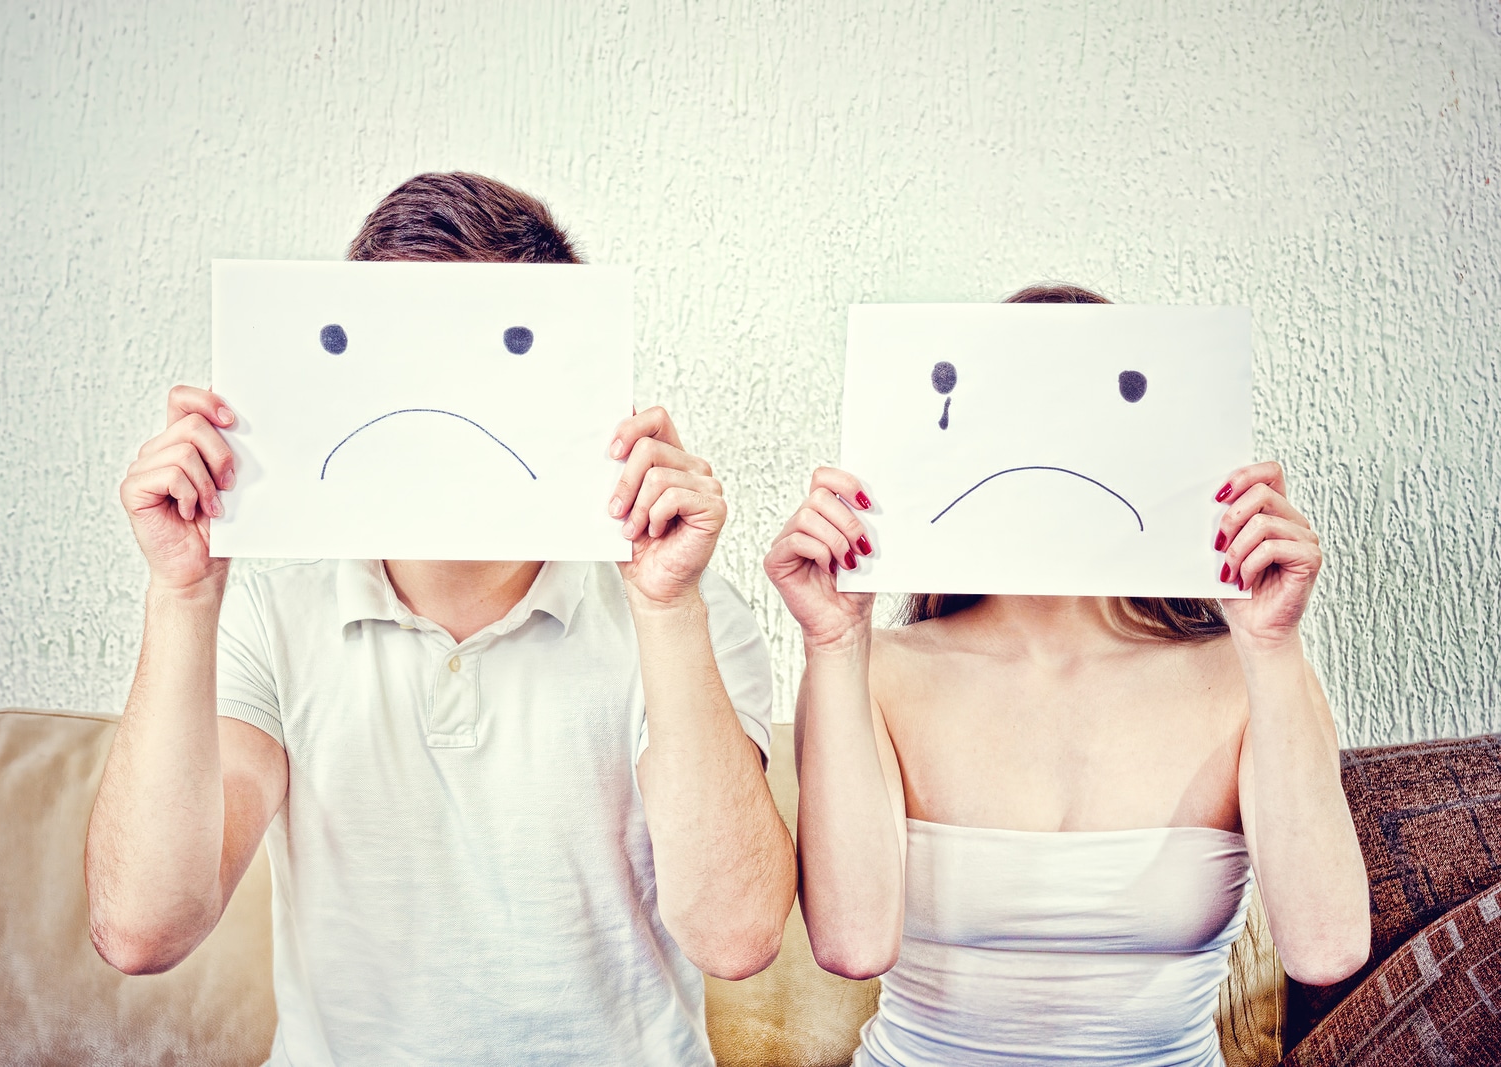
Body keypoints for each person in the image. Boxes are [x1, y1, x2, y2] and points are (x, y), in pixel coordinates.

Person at [85, 172, 796, 1067]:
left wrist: (666, 608)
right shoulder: (267, 612)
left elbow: (736, 938)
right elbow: (142, 930)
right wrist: (182, 596)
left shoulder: (688, 612)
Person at [765, 283, 1370, 1066]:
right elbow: (850, 943)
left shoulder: (1243, 674)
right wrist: (836, 642)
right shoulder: (876, 671)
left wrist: (1270, 644)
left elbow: (1326, 947)